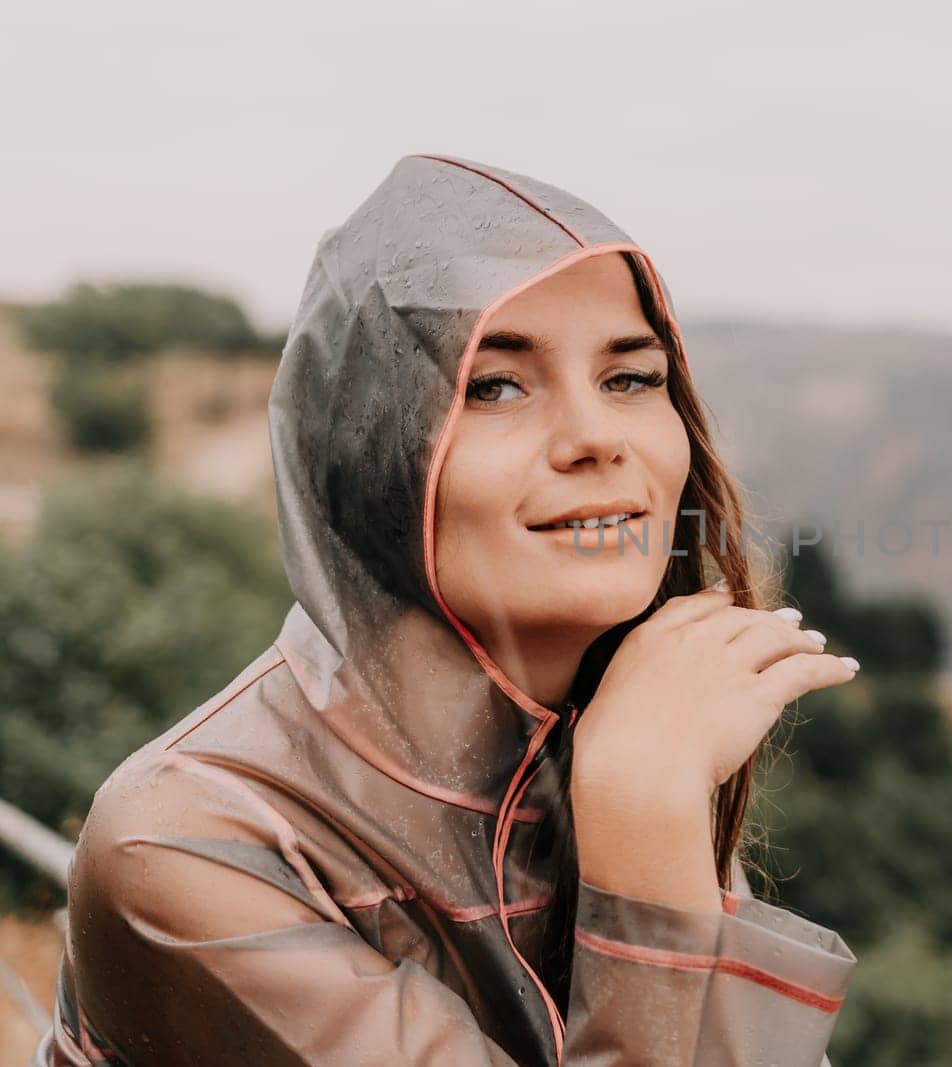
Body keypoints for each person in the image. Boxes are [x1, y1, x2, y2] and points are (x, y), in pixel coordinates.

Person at [34, 154, 860, 1065]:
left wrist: (642, 798)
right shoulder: (187, 842)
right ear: (369, 455)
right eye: (494, 386)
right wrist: (643, 817)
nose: (596, 437)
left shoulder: (621, 735)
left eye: (631, 378)